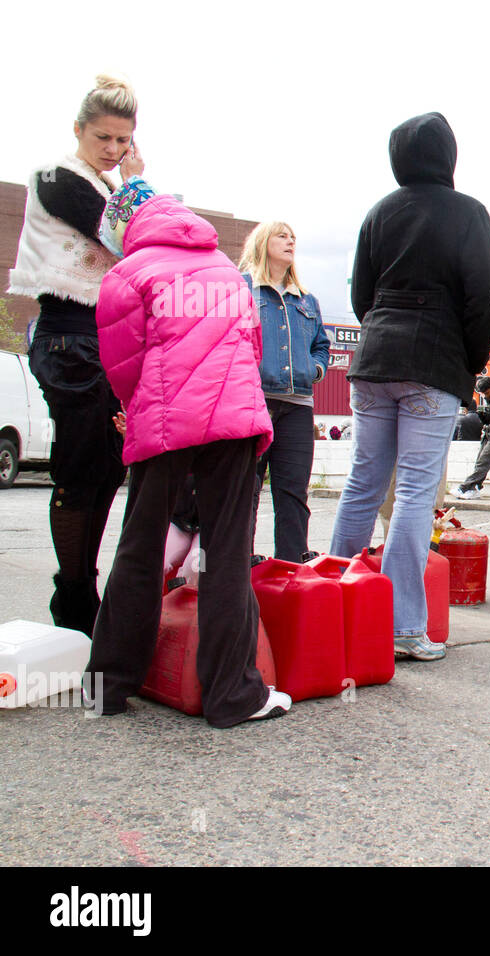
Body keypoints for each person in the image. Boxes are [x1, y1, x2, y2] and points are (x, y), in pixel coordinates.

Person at [87, 179, 286, 724]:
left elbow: (122, 365)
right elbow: (252, 346)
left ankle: (107, 687)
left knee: (141, 547)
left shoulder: (126, 275)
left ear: (125, 229)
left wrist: (142, 409)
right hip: (235, 419)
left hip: (165, 420)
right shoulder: (226, 268)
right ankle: (232, 696)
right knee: (228, 553)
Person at [330, 112, 490, 662]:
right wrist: (471, 361)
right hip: (434, 362)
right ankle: (404, 627)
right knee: (414, 494)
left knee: (362, 483)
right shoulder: (470, 213)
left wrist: (383, 324)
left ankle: (335, 601)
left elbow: (361, 292)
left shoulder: (380, 211)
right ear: (448, 156)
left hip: (374, 356)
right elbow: (483, 299)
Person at [7, 75, 145, 636]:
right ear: (79, 131)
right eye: (103, 138)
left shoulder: (106, 185)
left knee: (107, 465)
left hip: (105, 335)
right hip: (68, 333)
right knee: (81, 465)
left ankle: (79, 595)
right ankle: (74, 598)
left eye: (121, 141)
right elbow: (121, 233)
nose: (111, 150)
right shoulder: (56, 177)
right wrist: (136, 182)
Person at [239, 222, 329, 561]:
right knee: (245, 489)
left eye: (293, 237)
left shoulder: (307, 299)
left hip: (297, 405)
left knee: (293, 491)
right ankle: (240, 565)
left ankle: (291, 565)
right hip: (252, 403)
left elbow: (321, 345)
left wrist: (315, 368)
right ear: (263, 243)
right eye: (282, 236)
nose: (290, 241)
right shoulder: (240, 288)